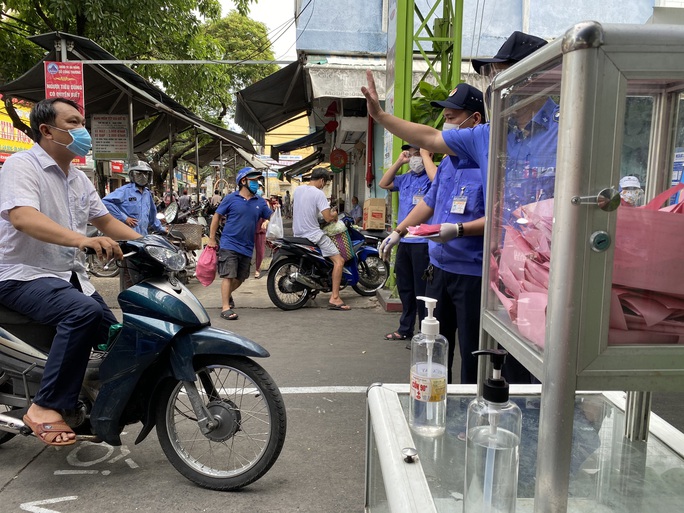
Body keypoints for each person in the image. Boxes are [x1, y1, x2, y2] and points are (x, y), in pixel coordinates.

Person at [363, 31, 550, 384]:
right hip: (460, 268)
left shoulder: (563, 130)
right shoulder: (489, 138)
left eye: (500, 72)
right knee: (439, 348)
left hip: (498, 273)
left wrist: (460, 230)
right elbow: (430, 146)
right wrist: (381, 117)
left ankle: (472, 408)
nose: (495, 82)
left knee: (487, 359)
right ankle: (448, 409)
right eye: (492, 75)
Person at [0, 98, 141, 446]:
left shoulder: (78, 178)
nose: (83, 131)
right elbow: (22, 216)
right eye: (74, 123)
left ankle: (92, 406)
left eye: (83, 122)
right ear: (47, 130)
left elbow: (105, 220)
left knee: (120, 339)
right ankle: (45, 406)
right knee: (82, 312)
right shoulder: (22, 165)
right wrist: (82, 240)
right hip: (20, 274)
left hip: (68, 277)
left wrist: (154, 243)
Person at [380, 84, 487, 383]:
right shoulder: (448, 165)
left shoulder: (488, 164)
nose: (446, 124)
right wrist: (398, 232)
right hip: (438, 270)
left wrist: (459, 229)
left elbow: (500, 217)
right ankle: (437, 406)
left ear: (474, 121)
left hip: (472, 275)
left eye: (452, 117)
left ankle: (469, 415)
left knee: (472, 352)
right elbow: (430, 203)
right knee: (435, 350)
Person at [379, 144, 434, 344]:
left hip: (423, 242)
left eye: (417, 153)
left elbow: (438, 182)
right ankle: (405, 329)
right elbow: (384, 183)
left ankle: (424, 333)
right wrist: (400, 162)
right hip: (403, 239)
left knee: (422, 289)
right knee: (405, 287)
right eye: (411, 154)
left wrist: (427, 158)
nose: (414, 158)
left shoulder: (432, 175)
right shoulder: (406, 178)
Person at [207, 167, 273, 320]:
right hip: (229, 243)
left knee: (241, 278)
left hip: (247, 246)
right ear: (243, 181)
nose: (257, 183)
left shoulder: (260, 202)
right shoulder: (231, 198)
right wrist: (211, 238)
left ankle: (227, 294)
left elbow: (272, 216)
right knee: (228, 275)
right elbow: (217, 217)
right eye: (254, 180)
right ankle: (225, 308)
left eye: (258, 180)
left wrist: (268, 221)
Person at [293, 167, 350, 310]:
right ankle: (335, 298)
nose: (323, 186)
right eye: (325, 183)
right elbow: (328, 217)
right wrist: (335, 214)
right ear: (322, 180)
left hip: (298, 233)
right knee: (339, 261)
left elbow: (307, 211)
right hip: (313, 234)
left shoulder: (298, 190)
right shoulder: (319, 194)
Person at [102, 161, 166, 236]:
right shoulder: (125, 191)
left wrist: (161, 228)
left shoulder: (147, 193)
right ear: (132, 175)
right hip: (127, 237)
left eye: (145, 174)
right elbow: (105, 202)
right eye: (139, 174)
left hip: (142, 236)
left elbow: (152, 215)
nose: (142, 177)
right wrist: (124, 218)